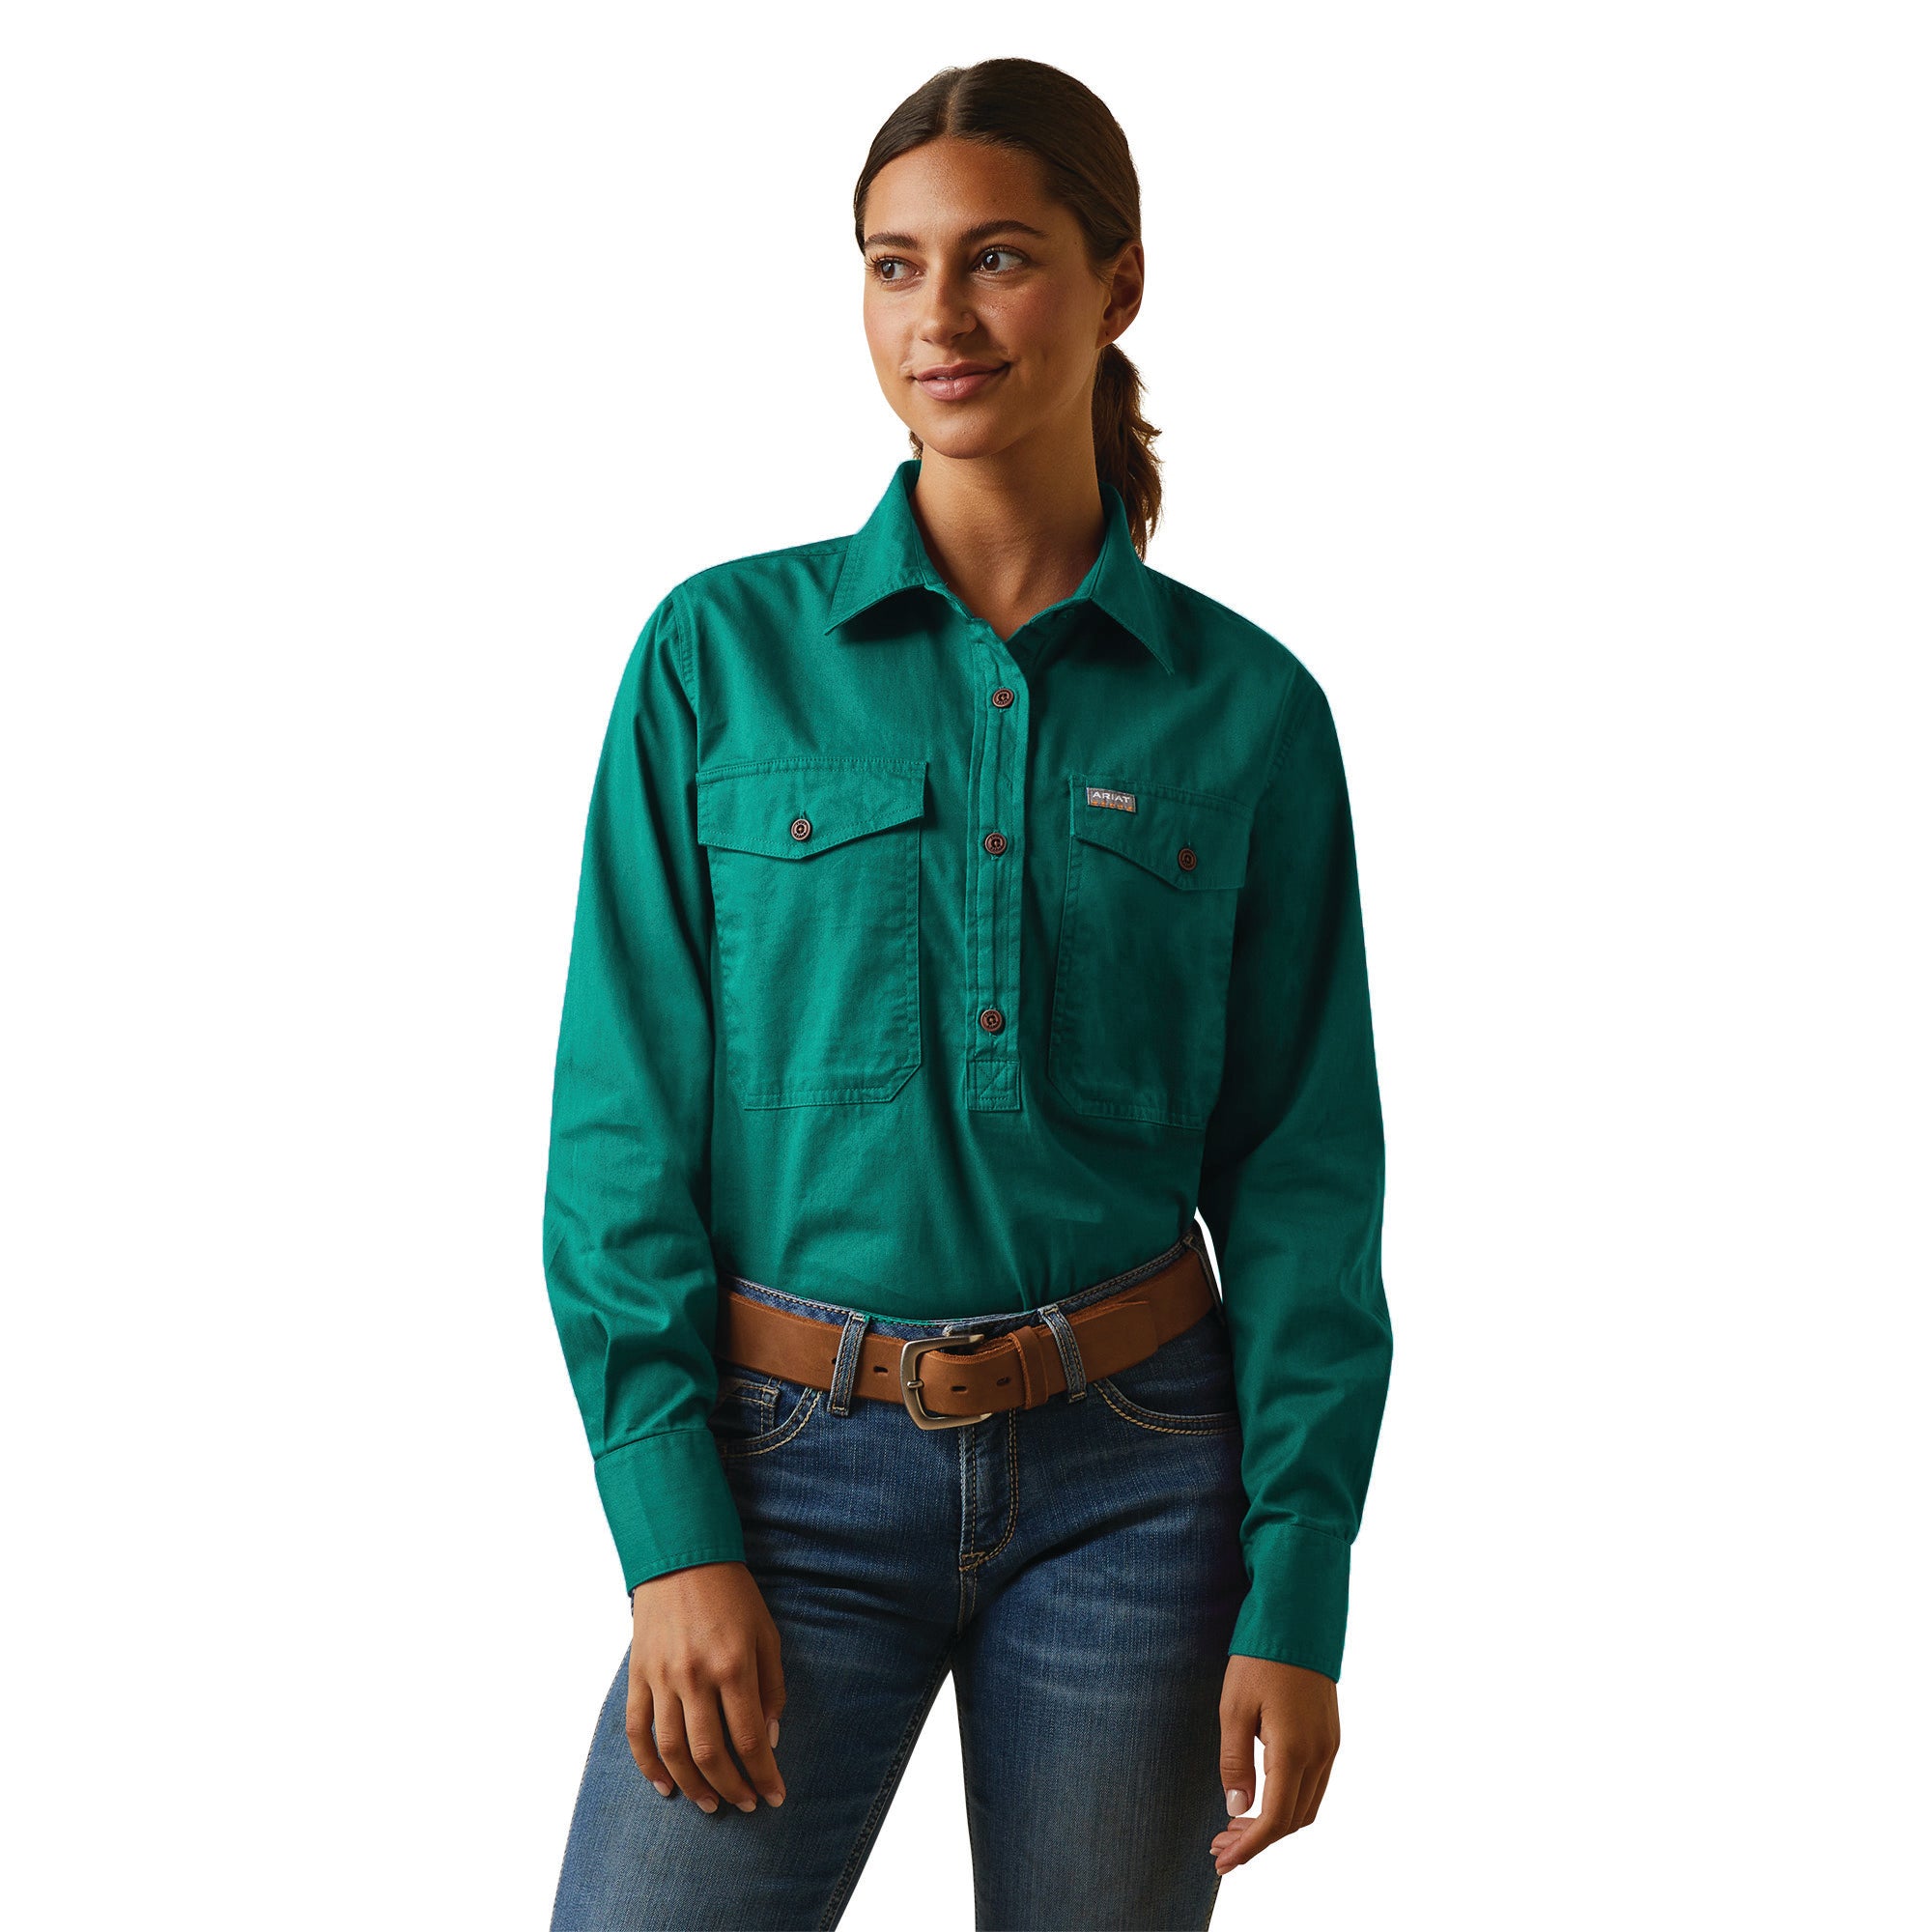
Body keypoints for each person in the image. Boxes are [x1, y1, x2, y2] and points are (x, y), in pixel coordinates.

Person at [541, 56, 1393, 1932]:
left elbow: (1306, 1180)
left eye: (996, 257)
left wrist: (1299, 1583)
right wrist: (670, 1537)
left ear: (1118, 280)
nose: (938, 315)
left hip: (1138, 1485)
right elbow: (618, 1135)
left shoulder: (1249, 714)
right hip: (781, 1476)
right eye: (891, 264)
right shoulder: (715, 660)